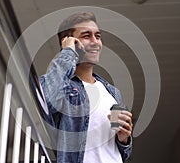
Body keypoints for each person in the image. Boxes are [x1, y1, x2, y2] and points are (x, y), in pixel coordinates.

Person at [39, 11, 133, 163]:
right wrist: (68, 52)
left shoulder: (112, 93)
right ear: (69, 41)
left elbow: (120, 152)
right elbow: (47, 103)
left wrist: (124, 139)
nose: (95, 42)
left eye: (98, 36)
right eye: (86, 36)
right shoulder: (57, 85)